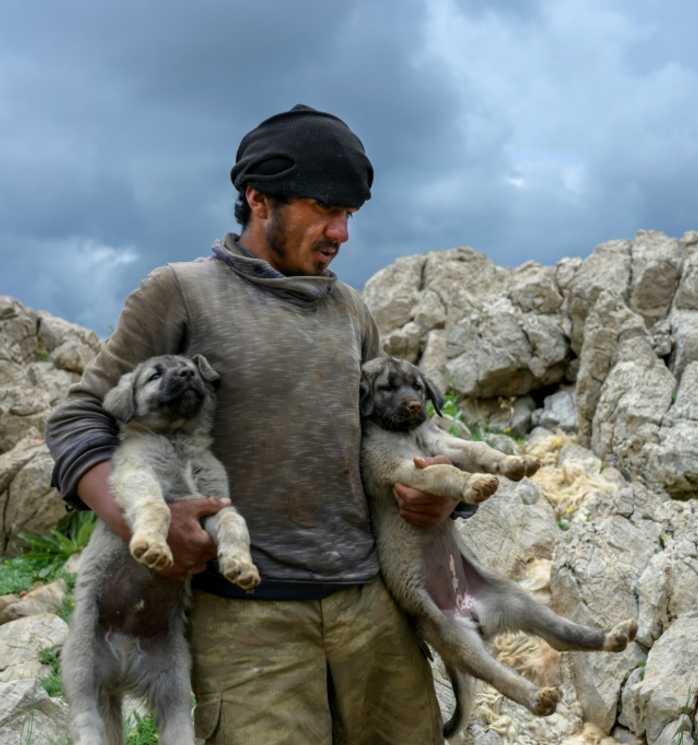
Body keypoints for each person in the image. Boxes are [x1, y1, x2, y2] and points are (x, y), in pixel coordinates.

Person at [45, 104, 462, 745]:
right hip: (244, 623)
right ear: (258, 200)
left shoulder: (350, 309)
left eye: (350, 213)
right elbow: (78, 419)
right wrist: (141, 525)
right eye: (325, 208)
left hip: (369, 608)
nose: (342, 232)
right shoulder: (180, 292)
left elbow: (393, 437)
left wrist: (438, 497)